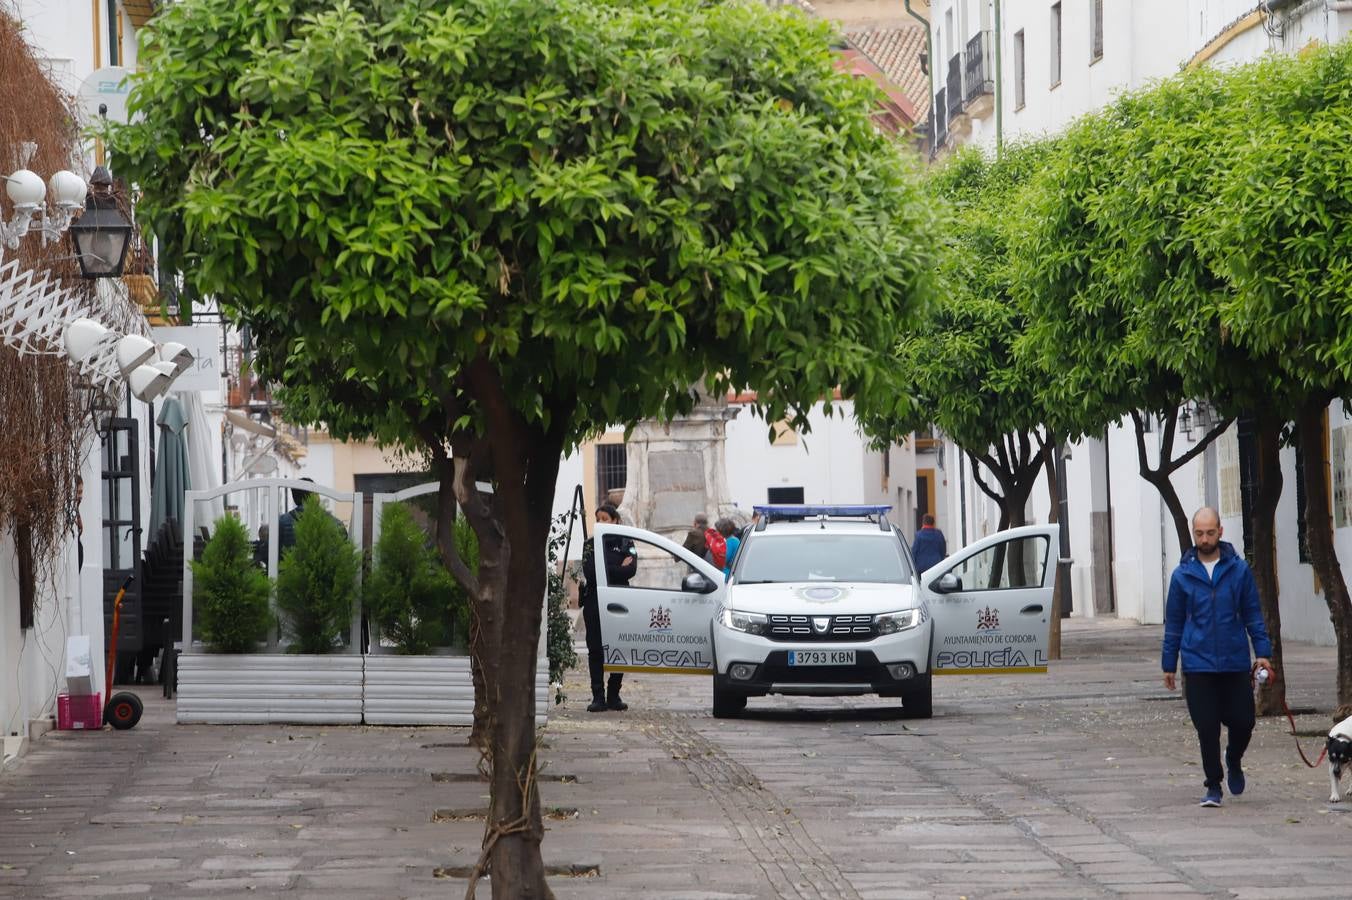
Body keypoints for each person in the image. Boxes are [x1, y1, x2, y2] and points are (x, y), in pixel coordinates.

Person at [1162, 507, 1273, 808]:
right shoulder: (1182, 575)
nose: (1205, 538)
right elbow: (1173, 622)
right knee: (1207, 727)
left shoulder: (1238, 570)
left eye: (1210, 532)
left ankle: (1233, 758)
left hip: (1234, 661)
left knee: (1244, 721)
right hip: (1197, 663)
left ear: (1220, 532)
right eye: (1199, 533)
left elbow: (1252, 613)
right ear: (1194, 533)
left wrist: (1262, 653)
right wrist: (1168, 663)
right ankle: (1213, 785)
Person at [581, 503, 637, 712]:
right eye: (598, 518)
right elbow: (591, 573)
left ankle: (614, 694)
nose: (600, 522)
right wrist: (617, 567)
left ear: (615, 521)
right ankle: (598, 696)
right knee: (595, 648)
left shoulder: (626, 543)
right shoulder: (590, 545)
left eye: (605, 518)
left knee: (619, 647)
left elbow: (631, 569)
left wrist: (609, 568)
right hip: (595, 599)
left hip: (620, 599)